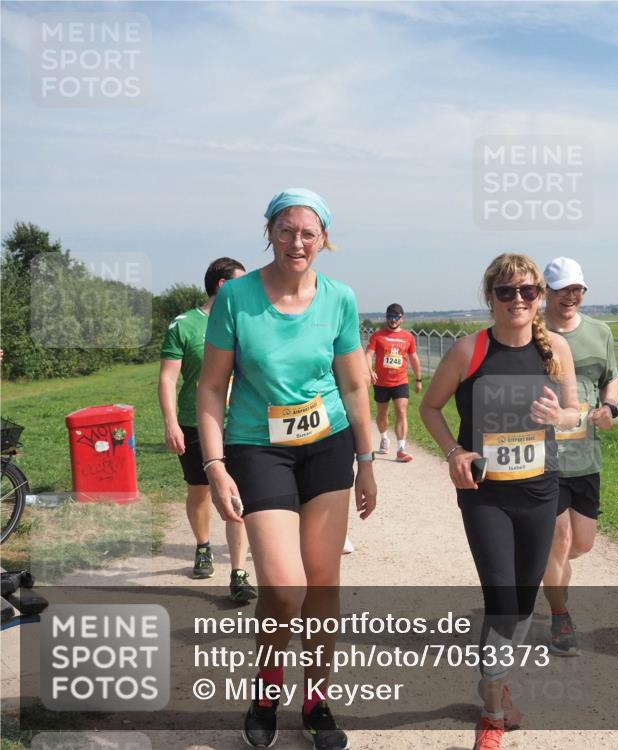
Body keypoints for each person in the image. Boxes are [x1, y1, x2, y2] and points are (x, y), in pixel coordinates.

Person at [197, 188, 377, 750]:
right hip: (258, 445)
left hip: (328, 445)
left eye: (308, 232)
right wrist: (215, 464)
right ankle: (266, 689)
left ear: (324, 237)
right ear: (269, 233)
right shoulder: (237, 298)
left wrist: (367, 461)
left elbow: (353, 383)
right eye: (286, 230)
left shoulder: (340, 298)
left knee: (323, 580)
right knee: (283, 585)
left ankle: (317, 700)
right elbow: (209, 387)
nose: (297, 241)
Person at [420, 253, 579, 750]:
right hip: (484, 495)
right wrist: (453, 451)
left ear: (539, 298)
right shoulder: (469, 350)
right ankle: (490, 712)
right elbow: (429, 407)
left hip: (538, 491)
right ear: (489, 298)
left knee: (523, 602)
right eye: (505, 292)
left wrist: (562, 417)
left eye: (527, 292)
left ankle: (497, 678)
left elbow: (576, 414)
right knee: (500, 597)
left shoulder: (555, 349)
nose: (517, 301)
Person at [158, 258, 257, 602]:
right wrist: (171, 422)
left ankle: (239, 572)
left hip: (240, 423)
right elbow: (169, 378)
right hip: (194, 422)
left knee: (237, 495)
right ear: (221, 285)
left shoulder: (245, 322)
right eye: (240, 282)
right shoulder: (184, 325)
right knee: (200, 491)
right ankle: (203, 545)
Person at [540, 257, 618, 656]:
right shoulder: (532, 333)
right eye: (562, 289)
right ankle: (560, 616)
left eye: (577, 290)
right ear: (546, 292)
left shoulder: (599, 332)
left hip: (586, 455)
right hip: (543, 457)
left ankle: (549, 567)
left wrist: (611, 408)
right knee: (559, 539)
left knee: (582, 544)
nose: (571, 297)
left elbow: (611, 380)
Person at [367, 303, 422, 462]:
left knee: (401, 412)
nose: (393, 320)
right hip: (381, 383)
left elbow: (414, 358)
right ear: (386, 317)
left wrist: (418, 380)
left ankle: (401, 448)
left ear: (402, 318)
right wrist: (370, 371)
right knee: (382, 415)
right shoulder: (377, 336)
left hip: (400, 382)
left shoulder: (408, 337)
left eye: (396, 317)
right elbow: (368, 355)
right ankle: (384, 437)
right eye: (390, 316)